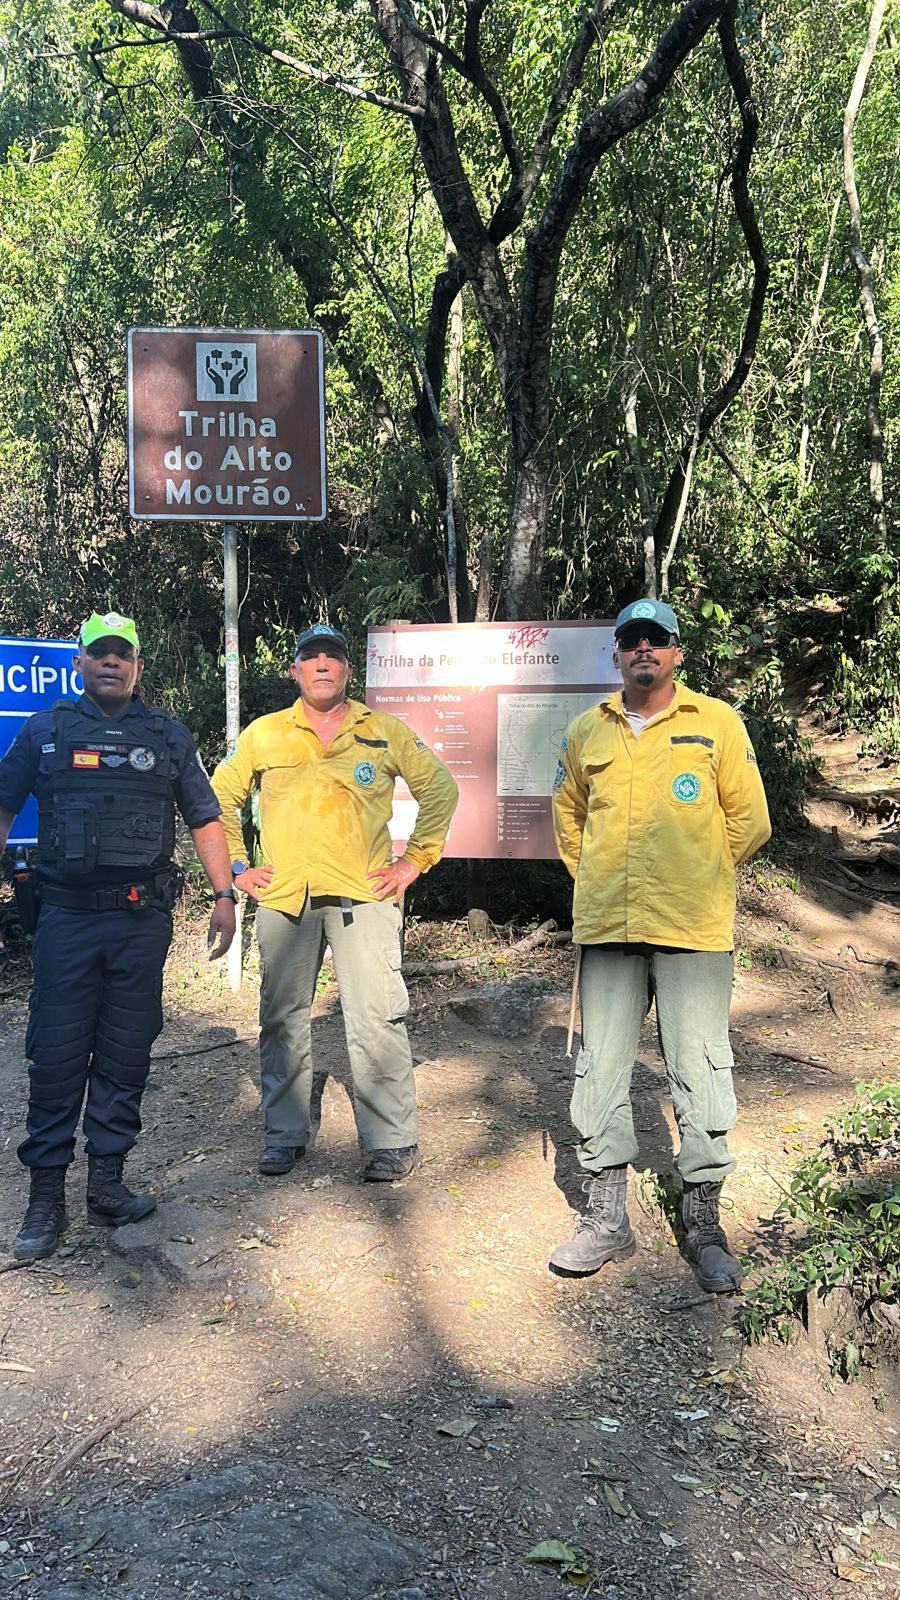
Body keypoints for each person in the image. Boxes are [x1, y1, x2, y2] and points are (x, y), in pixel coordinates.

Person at [0, 612, 236, 1261]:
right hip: (66, 920)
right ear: (79, 663)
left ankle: (106, 1184)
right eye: (99, 653)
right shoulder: (45, 732)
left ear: (136, 664)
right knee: (55, 1054)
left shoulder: (166, 735)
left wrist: (223, 895)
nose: (111, 662)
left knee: (126, 1051)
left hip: (140, 922)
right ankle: (45, 1199)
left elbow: (205, 817)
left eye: (121, 654)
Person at [550, 599, 771, 1291]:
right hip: (610, 928)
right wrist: (599, 883)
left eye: (657, 640)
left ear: (676, 652)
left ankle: (704, 1222)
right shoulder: (588, 730)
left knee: (701, 1068)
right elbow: (568, 817)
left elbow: (749, 820)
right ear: (616, 654)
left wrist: (700, 874)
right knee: (601, 1067)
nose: (644, 649)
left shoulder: (717, 724)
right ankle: (607, 1220)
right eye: (631, 640)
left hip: (692, 929)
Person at [211, 622, 458, 1181]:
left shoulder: (384, 731)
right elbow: (220, 797)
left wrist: (414, 861)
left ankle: (391, 1139)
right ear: (294, 670)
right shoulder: (265, 734)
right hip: (283, 896)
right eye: (311, 657)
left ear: (350, 670)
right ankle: (285, 1132)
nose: (322, 664)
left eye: (333, 657)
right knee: (280, 1017)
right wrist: (237, 866)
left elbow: (440, 789)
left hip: (363, 896)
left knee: (376, 1016)